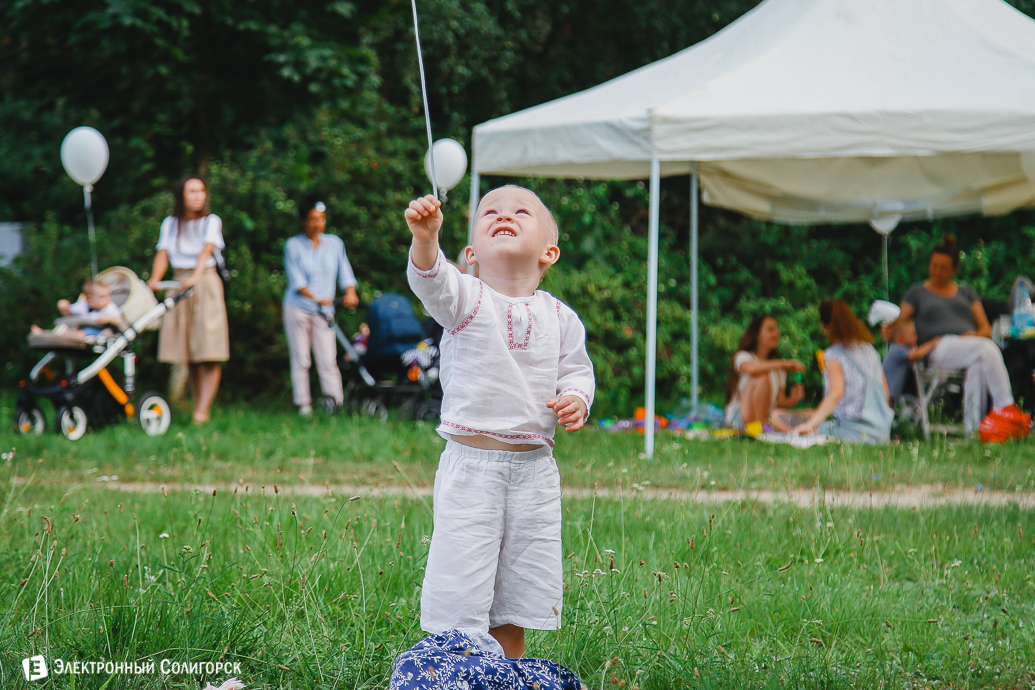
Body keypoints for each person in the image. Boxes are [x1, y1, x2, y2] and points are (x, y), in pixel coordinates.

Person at [405, 186, 595, 659]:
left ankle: (507, 674)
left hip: (534, 475)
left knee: (515, 595)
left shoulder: (561, 317)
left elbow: (577, 371)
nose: (504, 215)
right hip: (472, 470)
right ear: (470, 253)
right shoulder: (465, 299)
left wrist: (576, 398)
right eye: (490, 211)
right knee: (462, 586)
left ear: (549, 252)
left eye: (521, 212)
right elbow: (431, 280)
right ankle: (458, 674)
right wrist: (426, 240)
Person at [880, 236, 1028, 438]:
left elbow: (985, 328)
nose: (937, 272)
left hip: (967, 346)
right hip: (937, 348)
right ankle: (1006, 407)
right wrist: (889, 331)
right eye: (934, 266)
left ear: (954, 269)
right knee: (985, 348)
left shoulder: (966, 292)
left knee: (979, 361)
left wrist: (974, 335)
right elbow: (900, 325)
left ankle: (973, 431)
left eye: (943, 268)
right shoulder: (917, 292)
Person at [147, 175, 229, 424]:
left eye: (201, 191)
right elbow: (163, 253)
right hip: (178, 284)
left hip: (204, 282)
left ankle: (202, 411)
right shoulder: (170, 223)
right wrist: (154, 280)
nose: (198, 196)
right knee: (189, 351)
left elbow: (206, 251)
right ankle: (198, 408)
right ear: (181, 195)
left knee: (209, 348)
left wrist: (195, 277)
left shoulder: (211, 221)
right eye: (192, 191)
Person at [773, 300, 893, 443]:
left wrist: (809, 425)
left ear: (825, 326)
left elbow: (835, 394)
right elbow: (886, 395)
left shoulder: (833, 354)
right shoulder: (870, 350)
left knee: (777, 417)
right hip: (880, 433)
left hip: (850, 432)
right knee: (803, 414)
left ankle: (809, 431)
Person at [282, 196, 360, 416]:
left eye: (322, 219)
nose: (318, 224)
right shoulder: (293, 246)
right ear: (304, 221)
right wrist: (317, 298)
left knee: (328, 359)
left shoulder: (335, 244)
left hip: (325, 312)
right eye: (313, 219)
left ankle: (335, 404)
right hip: (298, 308)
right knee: (301, 359)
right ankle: (304, 406)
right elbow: (297, 282)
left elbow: (345, 273)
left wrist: (350, 292)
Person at [724, 315, 805, 428]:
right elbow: (751, 369)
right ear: (756, 335)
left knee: (806, 414)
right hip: (739, 419)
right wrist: (784, 364)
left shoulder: (778, 367)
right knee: (762, 377)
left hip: (767, 417)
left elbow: (779, 402)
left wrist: (791, 400)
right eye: (770, 329)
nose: (777, 333)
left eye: (776, 329)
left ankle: (764, 426)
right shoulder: (743, 356)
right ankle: (762, 428)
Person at [31, 280, 124, 338]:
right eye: (102, 297)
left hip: (99, 331)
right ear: (90, 299)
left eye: (108, 296)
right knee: (63, 328)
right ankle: (44, 334)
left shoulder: (109, 307)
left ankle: (66, 336)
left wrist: (109, 318)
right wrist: (65, 307)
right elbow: (70, 311)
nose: (108, 299)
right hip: (80, 328)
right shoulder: (83, 305)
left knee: (81, 333)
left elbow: (119, 320)